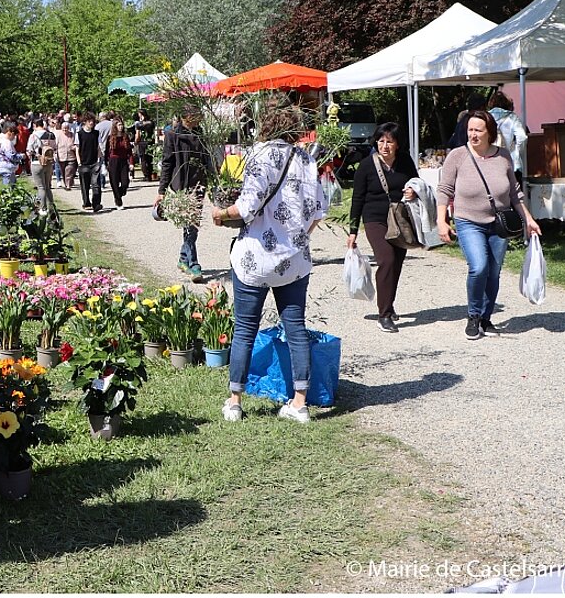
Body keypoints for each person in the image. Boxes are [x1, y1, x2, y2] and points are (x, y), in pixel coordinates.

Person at [212, 104, 328, 424]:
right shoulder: (307, 161)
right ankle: (299, 403)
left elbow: (246, 207)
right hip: (293, 261)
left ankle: (234, 401)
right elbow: (319, 210)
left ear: (267, 126)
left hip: (254, 258)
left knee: (245, 330)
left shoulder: (259, 157)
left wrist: (221, 215)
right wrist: (298, 236)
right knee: (296, 329)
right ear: (295, 130)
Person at [437, 110, 542, 340]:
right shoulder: (458, 155)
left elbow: (515, 193)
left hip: (499, 223)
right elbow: (444, 190)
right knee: (479, 267)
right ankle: (473, 316)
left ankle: (486, 318)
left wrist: (529, 220)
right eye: (470, 130)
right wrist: (441, 220)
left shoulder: (503, 156)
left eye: (478, 130)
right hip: (468, 222)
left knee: (494, 272)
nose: (473, 135)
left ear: (489, 133)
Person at [346, 123, 420, 333]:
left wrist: (413, 192)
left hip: (400, 218)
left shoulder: (405, 161)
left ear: (397, 144)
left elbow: (417, 183)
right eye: (381, 140)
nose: (384, 146)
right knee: (386, 259)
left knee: (396, 263)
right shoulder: (366, 165)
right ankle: (384, 315)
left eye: (389, 141)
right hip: (375, 219)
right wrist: (353, 231)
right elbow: (357, 199)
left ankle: (388, 303)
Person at [154, 109, 212, 278]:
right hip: (181, 186)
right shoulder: (172, 134)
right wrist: (161, 191)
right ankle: (194, 264)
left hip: (199, 184)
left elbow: (207, 159)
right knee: (190, 224)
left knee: (192, 224)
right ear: (187, 117)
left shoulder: (201, 133)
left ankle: (183, 258)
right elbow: (167, 162)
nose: (199, 121)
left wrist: (213, 181)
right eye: (196, 117)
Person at [487, 90, 529, 187]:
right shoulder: (511, 117)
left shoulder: (486, 117)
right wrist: (517, 152)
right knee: (515, 197)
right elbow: (522, 137)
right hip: (511, 163)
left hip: (490, 162)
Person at [25, 117, 58, 214]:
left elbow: (29, 150)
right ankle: (51, 207)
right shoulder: (51, 135)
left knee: (41, 187)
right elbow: (55, 148)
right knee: (47, 186)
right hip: (49, 163)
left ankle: (43, 208)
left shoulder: (33, 136)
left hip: (37, 162)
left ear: (34, 125)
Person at [75, 108, 105, 212]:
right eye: (89, 121)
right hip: (83, 163)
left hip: (94, 162)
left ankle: (96, 203)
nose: (91, 123)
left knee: (96, 184)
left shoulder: (96, 133)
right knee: (85, 185)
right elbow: (77, 149)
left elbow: (99, 147)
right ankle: (86, 203)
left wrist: (100, 159)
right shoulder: (79, 134)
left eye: (93, 121)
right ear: (85, 122)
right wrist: (79, 162)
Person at [105, 117, 133, 209]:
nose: (121, 127)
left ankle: (120, 193)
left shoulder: (125, 137)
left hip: (123, 161)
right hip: (113, 161)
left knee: (125, 182)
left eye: (121, 125)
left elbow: (129, 151)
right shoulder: (110, 138)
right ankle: (118, 201)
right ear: (115, 126)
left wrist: (131, 163)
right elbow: (106, 152)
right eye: (119, 125)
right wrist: (106, 164)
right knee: (114, 182)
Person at [0, 120, 22, 186]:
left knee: (10, 187)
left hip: (2, 166)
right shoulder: (6, 142)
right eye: (14, 135)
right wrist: (21, 156)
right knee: (10, 189)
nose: (14, 137)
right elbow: (12, 156)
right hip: (8, 168)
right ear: (9, 132)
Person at [132, 109, 155, 180]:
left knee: (143, 159)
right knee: (150, 159)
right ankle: (150, 174)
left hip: (142, 142)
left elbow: (138, 135)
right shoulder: (151, 122)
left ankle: (146, 175)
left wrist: (135, 142)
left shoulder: (138, 124)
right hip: (150, 142)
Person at [55, 118, 78, 191]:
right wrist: (55, 154)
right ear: (61, 128)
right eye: (63, 129)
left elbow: (76, 144)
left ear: (69, 128)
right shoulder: (58, 135)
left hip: (71, 156)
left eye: (66, 128)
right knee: (63, 171)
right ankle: (66, 183)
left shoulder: (72, 135)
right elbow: (55, 146)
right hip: (61, 156)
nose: (65, 130)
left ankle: (68, 185)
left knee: (69, 170)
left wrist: (73, 148)